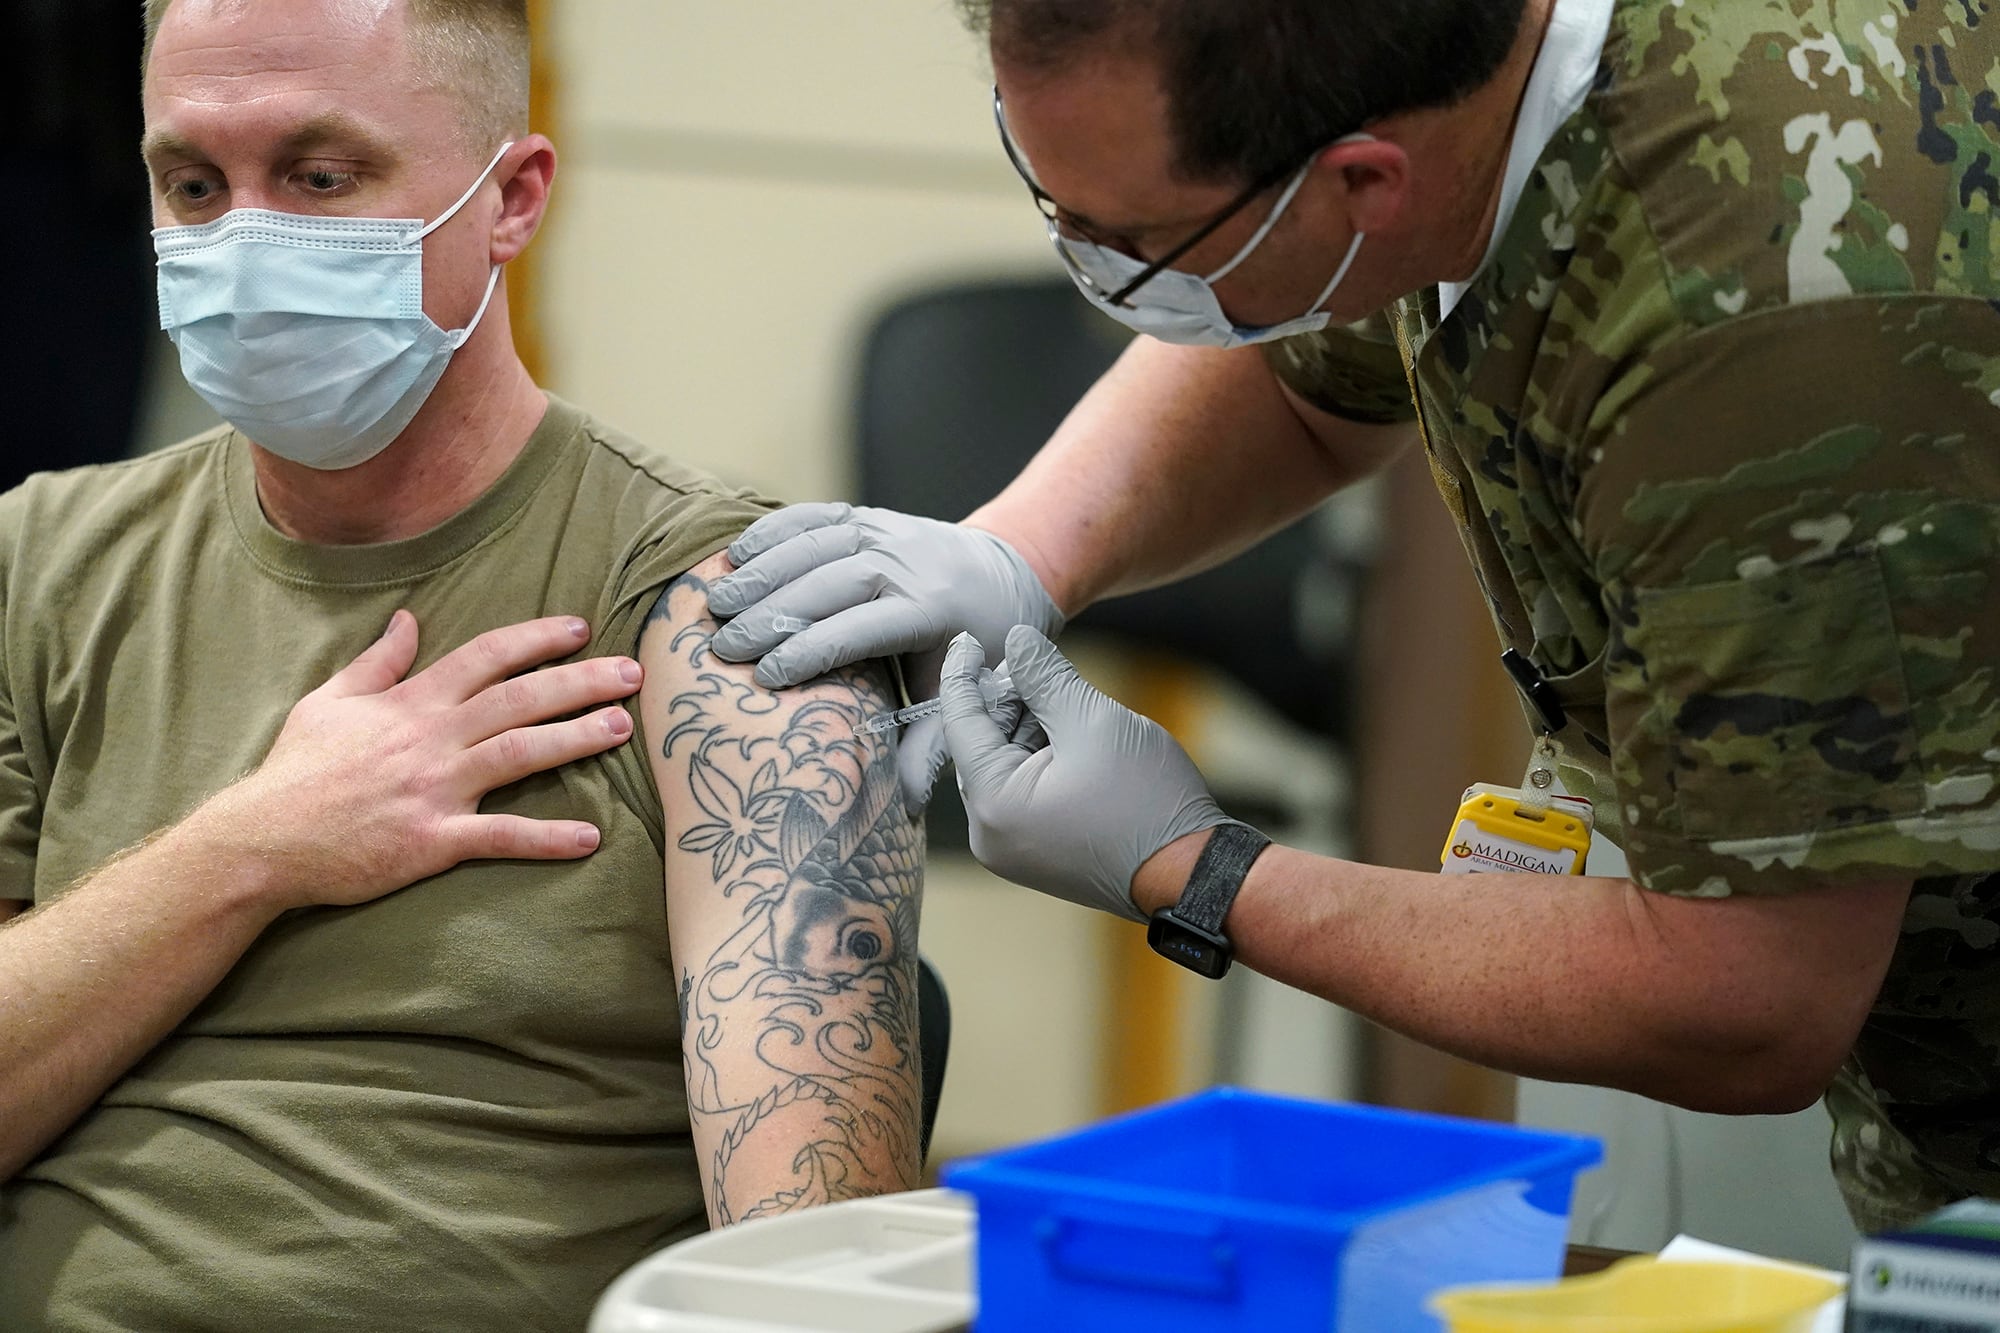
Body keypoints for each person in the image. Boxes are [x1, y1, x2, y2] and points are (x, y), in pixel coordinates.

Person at [704, 0, 2000, 1233]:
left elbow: (1748, 995)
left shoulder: (1763, 322)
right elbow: (1306, 367)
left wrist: (1201, 870)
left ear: (1368, 181)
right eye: (1050, 202)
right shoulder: (1447, 79)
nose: (1088, 268)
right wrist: (1016, 553)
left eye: (1132, 241)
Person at [0, 0, 922, 1326]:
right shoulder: (38, 562)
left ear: (512, 198)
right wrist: (256, 846)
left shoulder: (723, 599)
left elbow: (814, 1272)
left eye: (320, 177)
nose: (245, 242)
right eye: (193, 184)